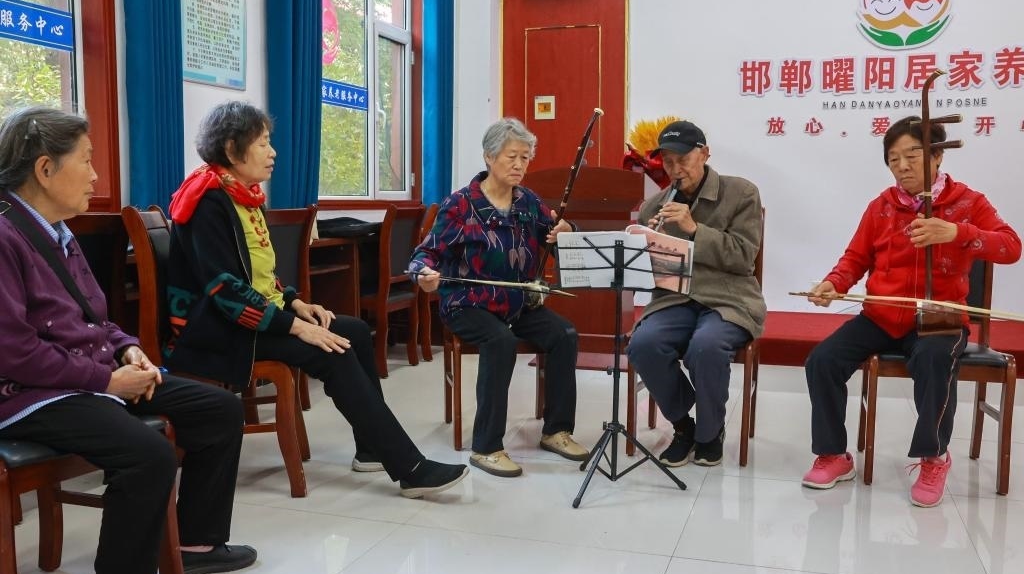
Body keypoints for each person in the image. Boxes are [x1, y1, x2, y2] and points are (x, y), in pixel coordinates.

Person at [0, 106, 256, 574]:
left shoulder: (58, 231)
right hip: (28, 394)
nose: (96, 175)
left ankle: (197, 545)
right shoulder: (5, 234)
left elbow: (95, 317)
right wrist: (105, 381)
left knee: (220, 409)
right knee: (148, 456)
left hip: (84, 375)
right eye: (86, 160)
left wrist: (127, 350)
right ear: (45, 169)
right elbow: (13, 352)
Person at [165, 101, 467, 499]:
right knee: (331, 351)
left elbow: (258, 274)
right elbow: (226, 290)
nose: (273, 152)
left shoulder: (240, 195)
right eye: (263, 143)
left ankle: (371, 448)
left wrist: (293, 303)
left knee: (354, 332)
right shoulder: (207, 202)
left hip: (249, 318)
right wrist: (296, 327)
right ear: (233, 149)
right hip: (217, 330)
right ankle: (410, 468)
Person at [802, 115, 1021, 507]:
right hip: (882, 315)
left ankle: (934, 457)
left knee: (934, 360)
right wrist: (833, 283)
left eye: (912, 156)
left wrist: (958, 232)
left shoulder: (968, 202)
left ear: (937, 156)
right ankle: (834, 455)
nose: (901, 166)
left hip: (939, 320)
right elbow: (855, 258)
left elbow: (1011, 246)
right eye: (893, 159)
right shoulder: (881, 207)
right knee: (823, 360)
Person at [409, 117, 586, 478]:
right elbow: (426, 254)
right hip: (467, 303)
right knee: (500, 340)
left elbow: (558, 244)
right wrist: (423, 275)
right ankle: (486, 447)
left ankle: (556, 430)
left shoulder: (529, 202)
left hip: (517, 303)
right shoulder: (460, 205)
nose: (519, 165)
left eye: (525, 157)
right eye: (511, 157)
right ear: (489, 157)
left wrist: (567, 233)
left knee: (564, 334)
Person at [625, 120, 766, 468]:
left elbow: (743, 256)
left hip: (728, 299)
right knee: (643, 344)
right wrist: (645, 248)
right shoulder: (654, 206)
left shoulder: (741, 193)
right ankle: (683, 425)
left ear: (704, 153)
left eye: (683, 159)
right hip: (674, 299)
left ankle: (709, 433)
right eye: (668, 162)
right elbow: (647, 275)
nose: (675, 169)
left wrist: (693, 229)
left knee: (706, 346)